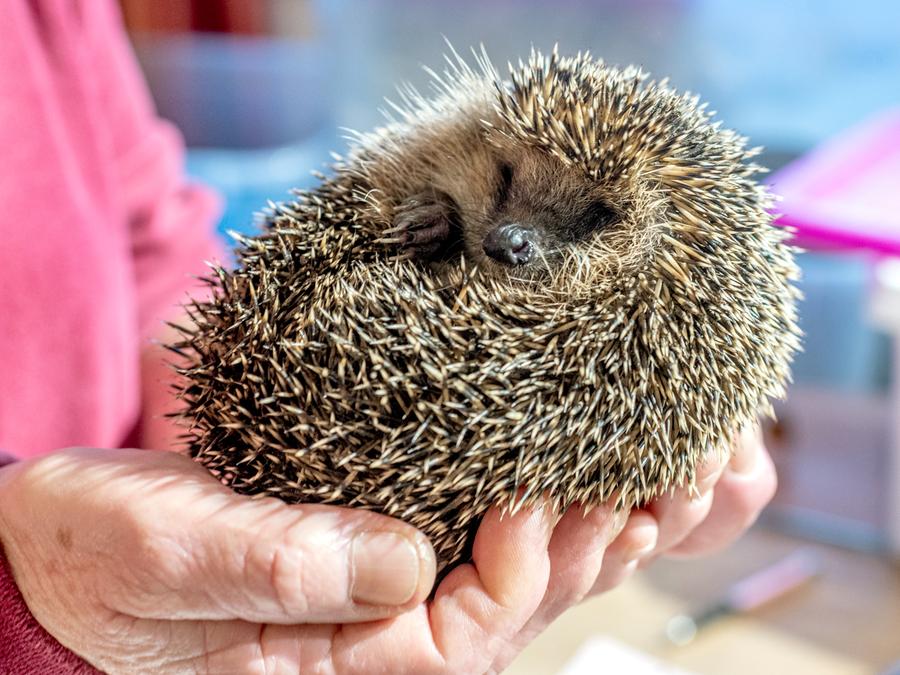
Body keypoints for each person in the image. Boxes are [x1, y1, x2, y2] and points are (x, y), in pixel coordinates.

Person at [0, 1, 778, 673]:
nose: (514, 234)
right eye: (506, 184)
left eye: (584, 223)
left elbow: (144, 238)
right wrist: (18, 596)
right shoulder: (449, 160)